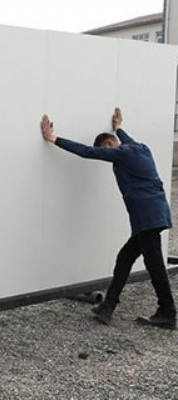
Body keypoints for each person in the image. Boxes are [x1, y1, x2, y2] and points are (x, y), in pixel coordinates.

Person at [40, 108, 176, 330]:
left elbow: (87, 152)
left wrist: (53, 138)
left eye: (105, 151)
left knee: (155, 265)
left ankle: (168, 312)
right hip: (153, 213)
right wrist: (119, 127)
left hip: (146, 216)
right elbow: (123, 137)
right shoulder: (139, 147)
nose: (106, 156)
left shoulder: (122, 153)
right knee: (125, 258)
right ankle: (108, 307)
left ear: (109, 146)